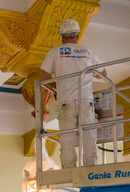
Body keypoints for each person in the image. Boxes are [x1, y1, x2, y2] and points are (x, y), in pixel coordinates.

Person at [40, 19, 107, 168]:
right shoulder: (89, 52)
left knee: (67, 138)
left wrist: (56, 88)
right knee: (89, 136)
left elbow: (44, 78)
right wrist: (87, 73)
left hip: (66, 100)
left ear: (62, 37)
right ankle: (91, 169)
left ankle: (69, 170)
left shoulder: (55, 52)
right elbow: (104, 74)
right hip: (86, 100)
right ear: (77, 35)